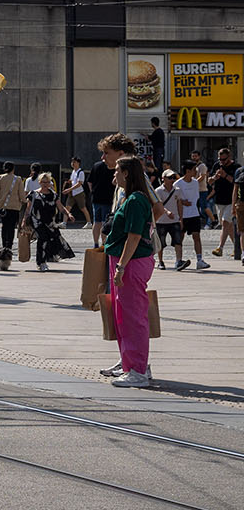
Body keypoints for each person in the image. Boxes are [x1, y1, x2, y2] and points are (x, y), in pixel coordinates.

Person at [102, 156, 159, 388]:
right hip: (127, 260)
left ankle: (137, 369)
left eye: (117, 170)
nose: (114, 174)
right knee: (124, 316)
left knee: (133, 317)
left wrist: (121, 267)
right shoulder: (131, 197)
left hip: (131, 262)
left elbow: (134, 237)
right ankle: (133, 364)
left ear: (127, 173)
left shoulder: (135, 199)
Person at [166, 165, 210, 271]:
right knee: (180, 237)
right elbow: (175, 198)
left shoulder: (195, 182)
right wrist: (182, 202)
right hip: (182, 215)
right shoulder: (178, 183)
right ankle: (178, 260)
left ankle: (199, 260)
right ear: (187, 171)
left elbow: (196, 196)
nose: (196, 172)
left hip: (194, 213)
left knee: (196, 236)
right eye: (194, 170)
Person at [29, 173, 69, 270]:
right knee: (43, 238)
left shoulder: (54, 195)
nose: (45, 184)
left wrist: (68, 214)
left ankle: (47, 258)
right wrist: (23, 221)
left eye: (47, 182)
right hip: (37, 221)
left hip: (50, 222)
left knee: (54, 238)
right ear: (39, 182)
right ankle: (41, 262)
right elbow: (28, 209)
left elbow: (61, 207)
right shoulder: (34, 194)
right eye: (43, 182)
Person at [0, 162, 27, 256]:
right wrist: (25, 201)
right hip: (14, 206)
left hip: (3, 206)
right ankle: (9, 247)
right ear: (13, 169)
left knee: (4, 226)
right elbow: (22, 194)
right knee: (11, 227)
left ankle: (4, 245)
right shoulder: (18, 179)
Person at [212, 148, 239, 261]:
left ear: (229, 157)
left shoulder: (236, 167)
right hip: (219, 200)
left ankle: (220, 248)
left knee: (225, 222)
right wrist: (214, 178)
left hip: (231, 200)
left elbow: (236, 182)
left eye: (224, 159)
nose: (222, 162)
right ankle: (238, 248)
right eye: (220, 159)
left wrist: (225, 176)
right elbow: (210, 180)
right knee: (228, 227)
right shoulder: (216, 165)